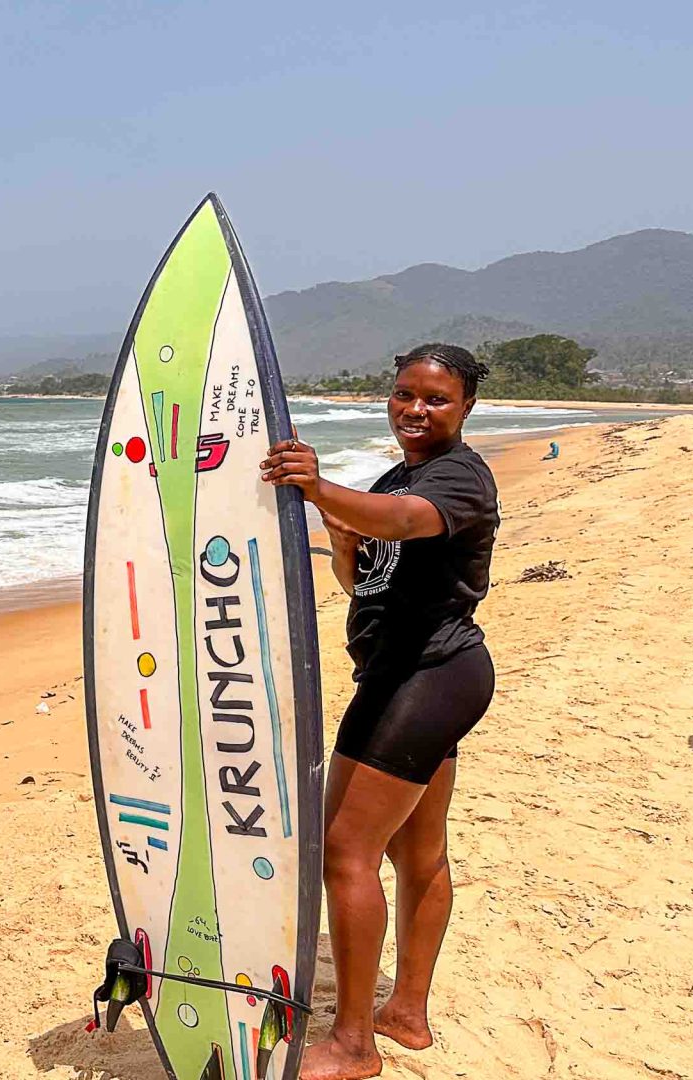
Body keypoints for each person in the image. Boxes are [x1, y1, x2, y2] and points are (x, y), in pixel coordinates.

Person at [259, 343, 499, 1080]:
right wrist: (337, 533)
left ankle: (353, 1045)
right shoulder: (404, 472)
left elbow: (397, 523)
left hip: (421, 680)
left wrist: (320, 485)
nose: (416, 410)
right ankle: (407, 1014)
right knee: (416, 853)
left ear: (465, 408)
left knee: (344, 852)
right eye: (404, 395)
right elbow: (361, 573)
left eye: (435, 399)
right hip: (428, 677)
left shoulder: (457, 477)